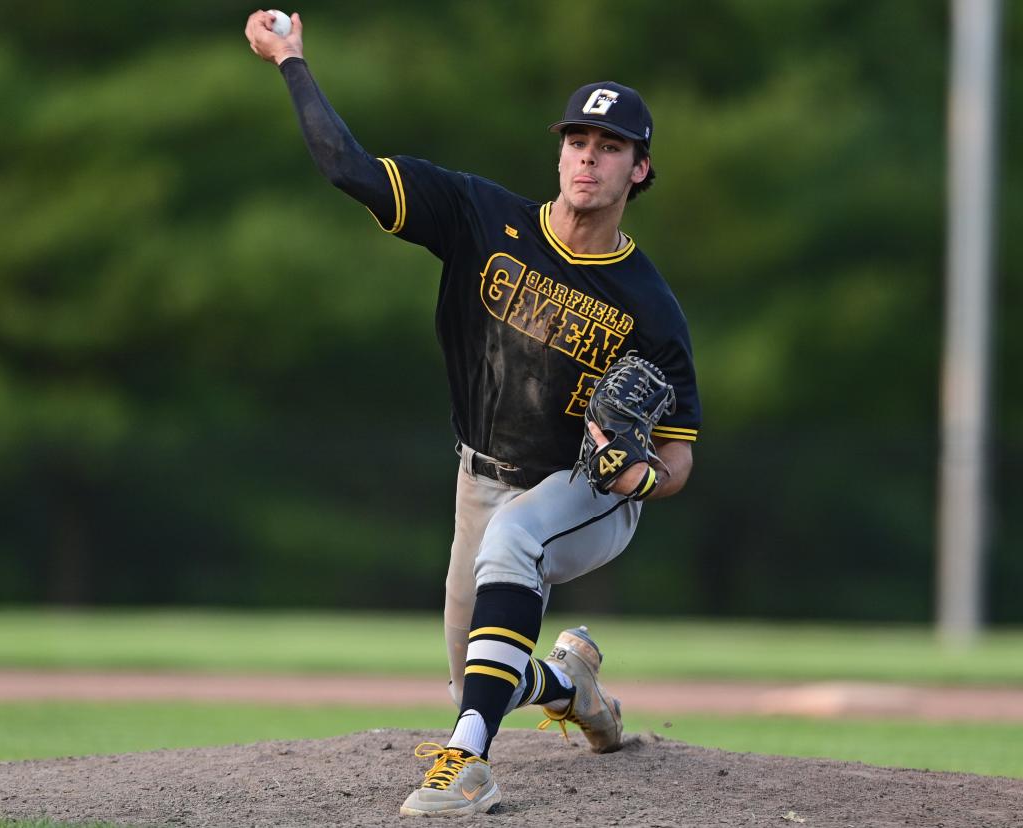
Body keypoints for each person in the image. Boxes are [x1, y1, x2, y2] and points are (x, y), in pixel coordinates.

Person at [245, 10, 702, 817]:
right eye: (576, 142)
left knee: (515, 546)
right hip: (478, 476)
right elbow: (348, 167)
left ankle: (469, 766)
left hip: (583, 490)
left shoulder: (650, 306)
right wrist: (291, 60)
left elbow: (679, 459)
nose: (587, 158)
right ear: (559, 150)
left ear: (640, 169)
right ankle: (572, 685)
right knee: (477, 672)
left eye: (609, 148)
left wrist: (641, 474)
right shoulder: (479, 216)